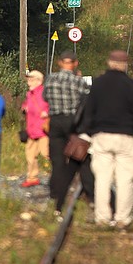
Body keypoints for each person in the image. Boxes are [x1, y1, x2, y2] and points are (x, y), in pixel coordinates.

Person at [82, 49, 133, 227]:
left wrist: (91, 132)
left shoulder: (98, 83)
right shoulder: (131, 85)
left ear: (109, 63)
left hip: (102, 135)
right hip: (126, 136)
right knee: (125, 179)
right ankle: (122, 218)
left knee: (102, 178)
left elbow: (89, 111)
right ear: (125, 65)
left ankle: (102, 217)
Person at [45, 50, 93, 212]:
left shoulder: (50, 79)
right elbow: (86, 101)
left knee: (57, 160)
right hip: (73, 122)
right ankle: (89, 192)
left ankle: (55, 193)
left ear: (59, 63)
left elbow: (45, 97)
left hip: (55, 121)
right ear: (75, 63)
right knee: (79, 157)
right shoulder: (79, 82)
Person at [20, 70, 49, 188]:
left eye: (31, 80)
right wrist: (24, 108)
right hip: (31, 130)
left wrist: (46, 112)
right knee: (30, 155)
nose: (28, 82)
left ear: (39, 81)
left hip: (43, 130)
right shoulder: (29, 94)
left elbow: (52, 106)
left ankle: (60, 176)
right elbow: (25, 105)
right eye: (28, 80)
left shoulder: (45, 93)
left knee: (47, 154)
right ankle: (32, 178)